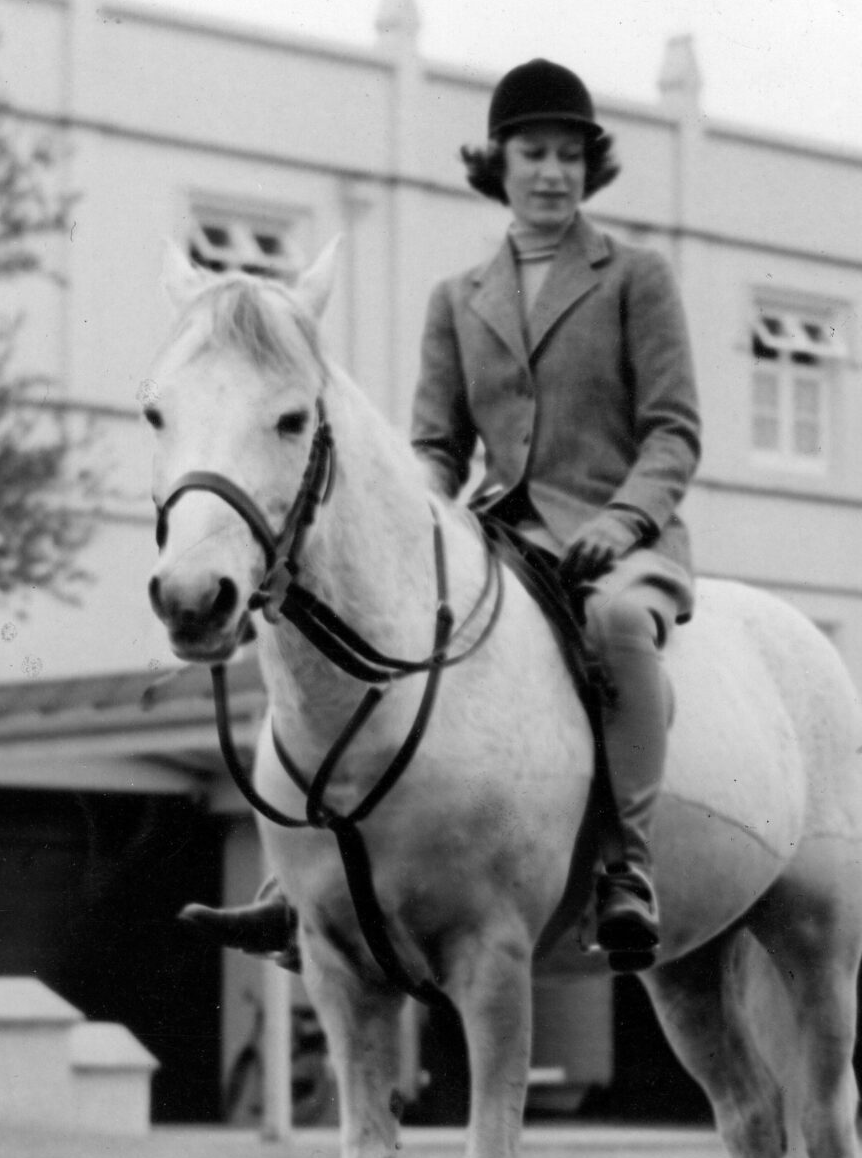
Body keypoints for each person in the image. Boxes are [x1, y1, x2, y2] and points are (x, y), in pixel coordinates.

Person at [182, 58, 699, 973]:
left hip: (621, 538)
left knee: (617, 626)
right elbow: (438, 447)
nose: (552, 173)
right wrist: (413, 525)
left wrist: (623, 521)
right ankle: (299, 881)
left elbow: (673, 433)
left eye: (570, 156)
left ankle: (628, 862)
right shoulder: (456, 299)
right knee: (354, 626)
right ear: (497, 165)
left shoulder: (636, 278)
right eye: (533, 153)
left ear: (590, 168)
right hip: (499, 530)